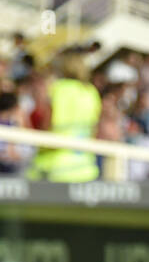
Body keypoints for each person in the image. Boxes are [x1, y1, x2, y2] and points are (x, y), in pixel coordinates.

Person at [28, 54, 101, 182]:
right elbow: (94, 129)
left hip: (53, 166)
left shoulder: (58, 88)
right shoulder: (91, 92)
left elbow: (46, 123)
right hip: (84, 166)